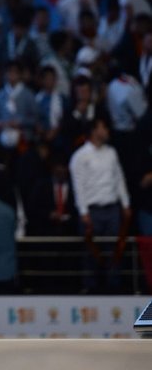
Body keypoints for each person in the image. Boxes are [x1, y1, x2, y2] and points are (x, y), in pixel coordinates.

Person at [69, 116, 131, 293]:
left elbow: (119, 179)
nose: (107, 131)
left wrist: (125, 203)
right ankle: (90, 289)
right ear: (94, 131)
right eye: (103, 128)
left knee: (114, 250)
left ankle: (114, 288)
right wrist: (83, 212)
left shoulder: (111, 152)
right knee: (91, 252)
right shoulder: (80, 156)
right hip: (92, 210)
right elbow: (78, 186)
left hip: (112, 208)